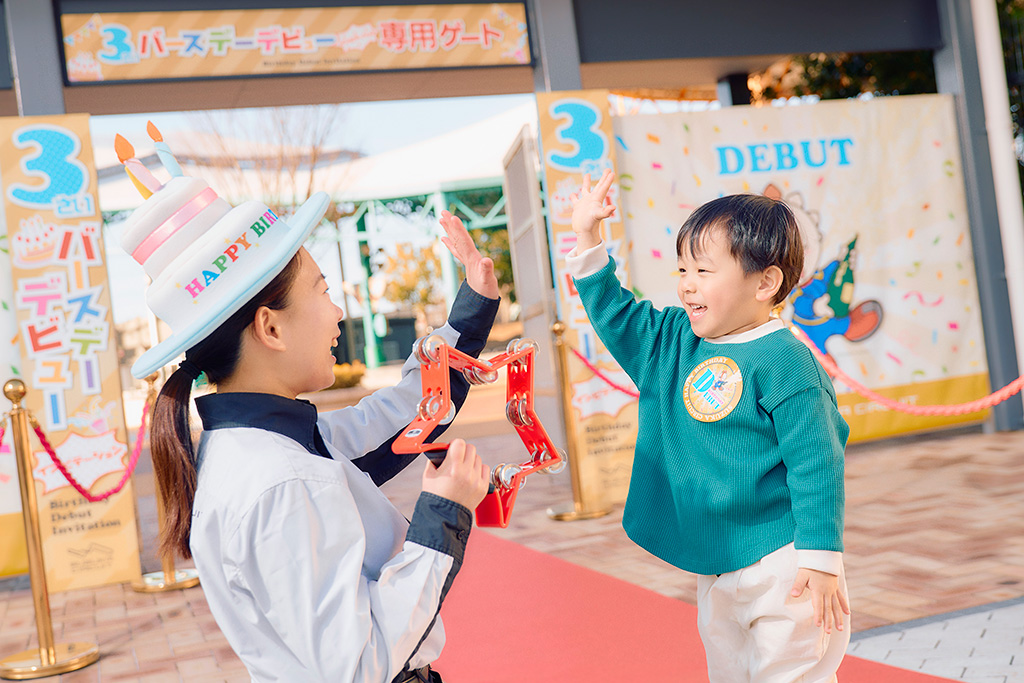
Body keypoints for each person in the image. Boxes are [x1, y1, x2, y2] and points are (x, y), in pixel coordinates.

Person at [123, 173, 499, 682]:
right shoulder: (281, 480)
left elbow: (395, 419)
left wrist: (470, 314)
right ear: (270, 328)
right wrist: (444, 512)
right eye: (322, 291)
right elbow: (360, 665)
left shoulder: (267, 445)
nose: (339, 312)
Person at [568, 169, 851, 682]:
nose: (687, 285)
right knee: (730, 673)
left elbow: (818, 462)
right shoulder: (672, 342)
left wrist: (821, 558)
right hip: (716, 560)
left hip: (785, 560)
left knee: (792, 674)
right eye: (682, 270)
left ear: (766, 282)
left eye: (703, 270)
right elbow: (615, 314)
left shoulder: (787, 362)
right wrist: (588, 237)